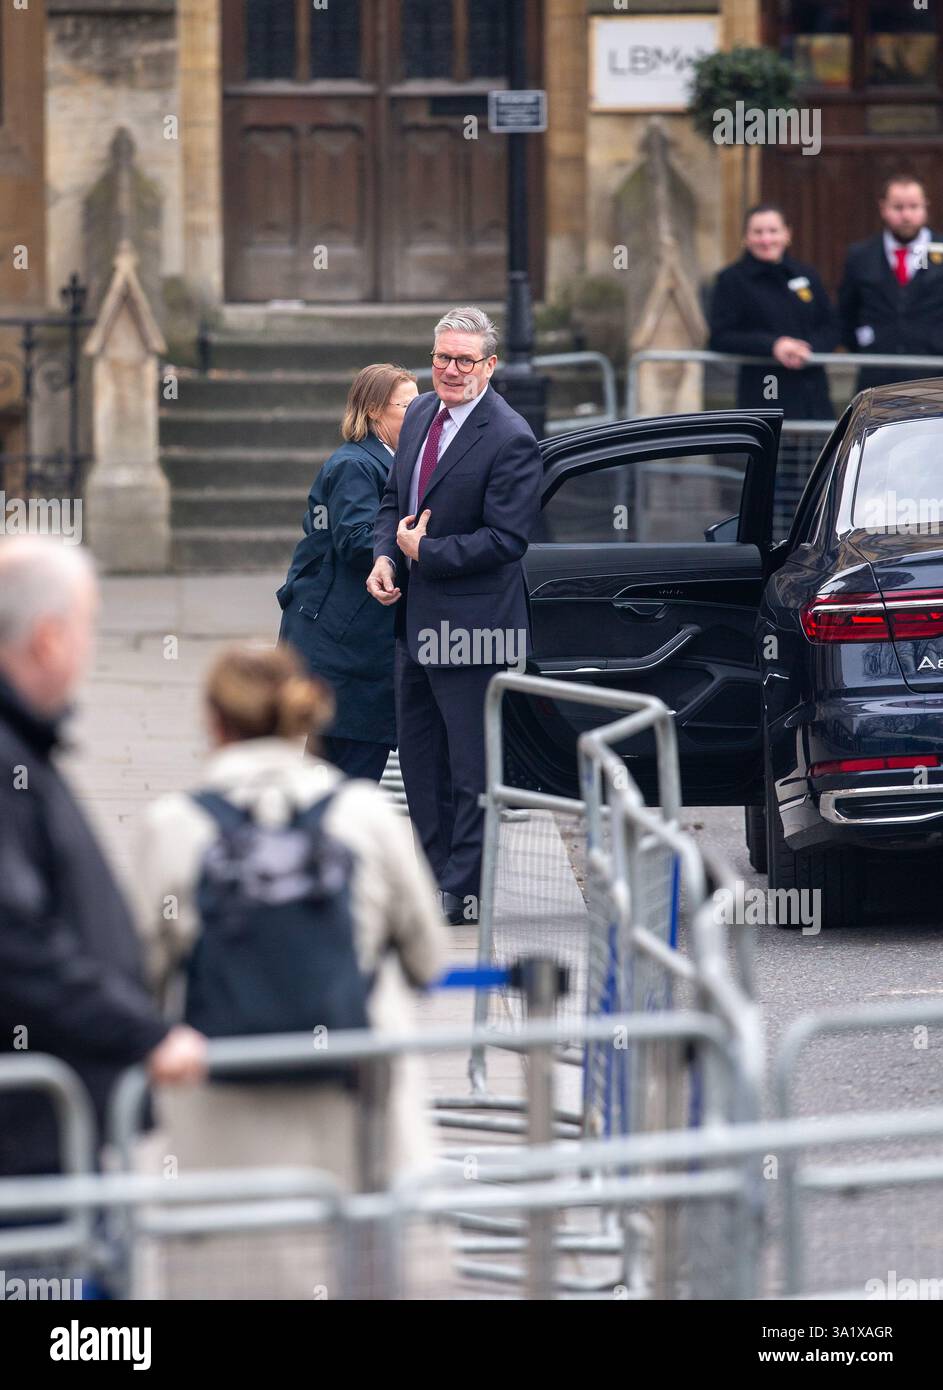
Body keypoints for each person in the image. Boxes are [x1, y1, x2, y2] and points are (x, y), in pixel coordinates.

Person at [133, 643, 447, 1297]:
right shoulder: (365, 814)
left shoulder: (172, 827)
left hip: (220, 1127)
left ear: (213, 722)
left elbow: (137, 976)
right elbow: (429, 958)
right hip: (356, 1116)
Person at [0, 537, 206, 1192]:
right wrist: (143, 1034)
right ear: (49, 640)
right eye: (87, 627)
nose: (89, 647)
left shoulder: (25, 744)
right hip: (28, 1134)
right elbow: (17, 940)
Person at [366, 307, 543, 926]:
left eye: (464, 359)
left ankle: (464, 892)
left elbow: (507, 540)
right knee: (418, 763)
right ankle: (433, 879)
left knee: (469, 767)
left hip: (474, 628)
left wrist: (428, 553)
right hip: (412, 619)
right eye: (442, 357)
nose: (449, 369)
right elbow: (394, 500)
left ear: (489, 365)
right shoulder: (418, 413)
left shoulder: (510, 435)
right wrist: (386, 556)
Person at [277, 364, 419, 782]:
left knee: (332, 771)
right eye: (408, 406)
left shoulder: (389, 460)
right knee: (344, 770)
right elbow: (357, 540)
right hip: (344, 643)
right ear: (375, 411)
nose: (419, 415)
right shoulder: (355, 464)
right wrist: (415, 540)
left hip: (353, 641)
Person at [709, 203, 839, 419]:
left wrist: (808, 349)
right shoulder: (731, 280)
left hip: (812, 394)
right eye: (758, 232)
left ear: (787, 234)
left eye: (773, 231)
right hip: (764, 395)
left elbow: (832, 326)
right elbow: (721, 336)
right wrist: (773, 346)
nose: (766, 239)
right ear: (745, 237)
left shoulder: (806, 274)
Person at [838, 175, 943, 390]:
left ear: (925, 207)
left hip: (933, 377)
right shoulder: (861, 255)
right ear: (883, 208)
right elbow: (846, 313)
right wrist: (867, 344)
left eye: (913, 207)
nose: (906, 215)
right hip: (877, 378)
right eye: (898, 207)